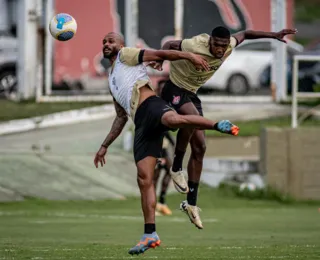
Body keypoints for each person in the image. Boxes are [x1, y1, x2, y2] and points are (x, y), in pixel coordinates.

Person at [93, 32, 239, 255]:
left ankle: (217, 125)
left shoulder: (126, 55)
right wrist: (105, 145)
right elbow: (121, 117)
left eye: (111, 40)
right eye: (104, 41)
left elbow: (161, 52)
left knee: (174, 119)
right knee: (144, 178)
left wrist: (189, 57)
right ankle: (150, 234)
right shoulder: (111, 78)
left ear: (121, 44)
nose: (106, 44)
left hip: (151, 105)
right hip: (140, 124)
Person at [149, 26, 297, 229]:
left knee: (200, 147)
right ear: (210, 41)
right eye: (216, 45)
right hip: (174, 87)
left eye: (223, 46)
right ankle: (176, 168)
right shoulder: (195, 45)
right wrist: (160, 58)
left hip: (191, 93)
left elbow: (245, 34)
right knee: (192, 119)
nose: (220, 50)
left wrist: (273, 35)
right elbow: (169, 45)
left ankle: (191, 204)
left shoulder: (229, 45)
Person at [154, 131, 175, 216]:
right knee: (154, 179)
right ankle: (153, 205)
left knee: (170, 172)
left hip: (162, 153)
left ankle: (161, 202)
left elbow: (173, 142)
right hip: (156, 154)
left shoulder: (164, 128)